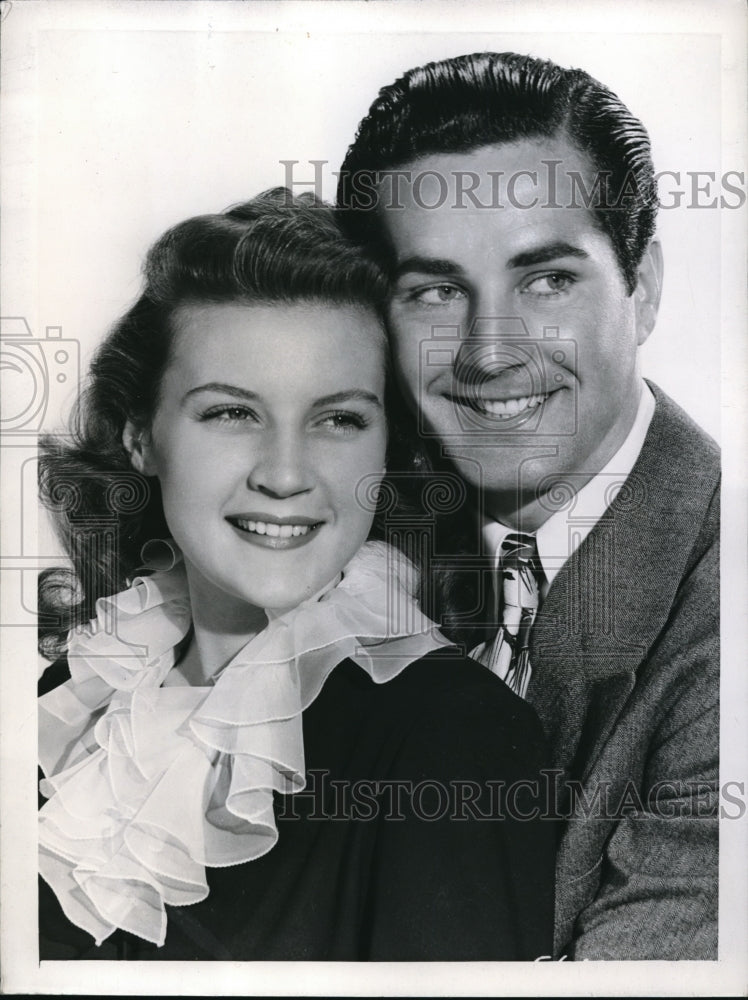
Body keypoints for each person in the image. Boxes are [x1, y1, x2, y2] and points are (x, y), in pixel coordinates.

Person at [36, 189, 555, 961]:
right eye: (231, 413)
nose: (285, 474)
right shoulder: (71, 706)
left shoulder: (451, 735)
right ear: (139, 437)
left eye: (339, 418)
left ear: (388, 451)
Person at [337, 52, 719, 960]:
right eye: (435, 292)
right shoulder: (353, 529)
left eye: (547, 279)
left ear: (645, 287)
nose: (488, 353)